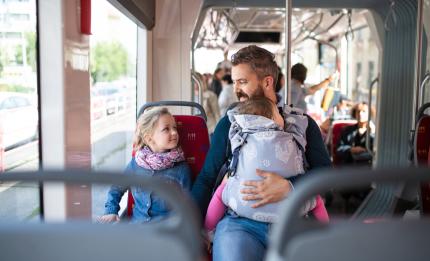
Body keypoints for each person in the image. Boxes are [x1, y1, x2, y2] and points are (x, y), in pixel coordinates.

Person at [191, 45, 331, 261]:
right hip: (240, 224)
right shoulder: (229, 123)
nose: (236, 89)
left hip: (292, 222)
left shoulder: (302, 123)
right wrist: (190, 231)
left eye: (243, 82)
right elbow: (207, 178)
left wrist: (290, 186)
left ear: (267, 82)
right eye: (235, 81)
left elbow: (326, 176)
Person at [204, 97, 329, 233]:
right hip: (289, 208)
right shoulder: (292, 134)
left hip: (245, 203)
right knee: (315, 200)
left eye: (242, 81)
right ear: (272, 118)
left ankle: (208, 231)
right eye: (278, 113)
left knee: (222, 191)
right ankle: (327, 230)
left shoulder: (238, 133)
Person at [98, 107, 192, 223]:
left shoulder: (181, 169)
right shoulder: (135, 164)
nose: (174, 133)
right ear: (149, 138)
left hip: (166, 231)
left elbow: (186, 206)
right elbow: (116, 188)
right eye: (166, 129)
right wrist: (111, 211)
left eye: (174, 128)